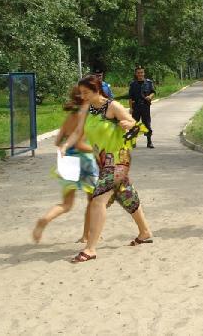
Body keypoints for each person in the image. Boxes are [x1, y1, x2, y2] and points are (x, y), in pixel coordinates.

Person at [61, 75, 153, 262]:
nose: (83, 96)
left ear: (97, 90)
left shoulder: (113, 106)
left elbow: (137, 126)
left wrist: (129, 124)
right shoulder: (87, 109)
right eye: (81, 93)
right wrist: (65, 146)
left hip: (118, 159)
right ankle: (145, 232)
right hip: (103, 162)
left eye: (86, 92)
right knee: (126, 194)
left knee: (98, 200)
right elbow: (78, 132)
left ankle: (90, 249)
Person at [32, 86, 99, 243]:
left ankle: (45, 219)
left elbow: (57, 141)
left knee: (67, 204)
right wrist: (96, 150)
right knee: (92, 201)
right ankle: (85, 235)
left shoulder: (69, 116)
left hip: (67, 159)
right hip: (85, 160)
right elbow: (80, 145)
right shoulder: (86, 115)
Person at [128, 66, 155, 148]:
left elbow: (153, 92)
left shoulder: (149, 83)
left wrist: (150, 96)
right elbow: (130, 97)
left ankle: (149, 142)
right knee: (134, 124)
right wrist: (131, 108)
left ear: (144, 73)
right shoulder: (133, 84)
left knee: (147, 124)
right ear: (136, 74)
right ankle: (133, 141)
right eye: (138, 73)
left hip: (145, 106)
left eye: (142, 72)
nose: (140, 74)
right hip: (136, 107)